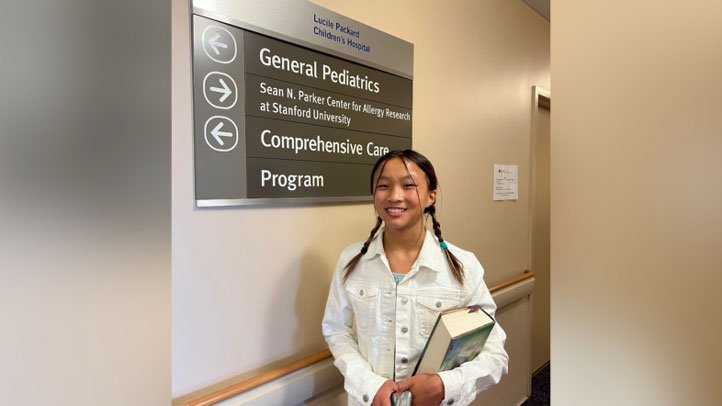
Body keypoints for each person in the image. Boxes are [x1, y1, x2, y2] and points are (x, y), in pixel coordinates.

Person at [322, 150, 509, 406]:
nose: (394, 195)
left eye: (408, 185)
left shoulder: (464, 266)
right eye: (383, 185)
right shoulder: (351, 260)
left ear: (431, 196)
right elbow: (336, 330)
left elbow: (493, 353)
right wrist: (369, 385)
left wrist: (444, 386)